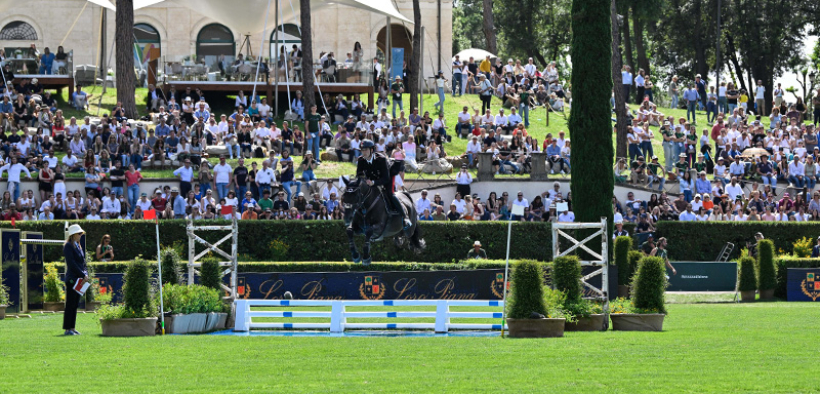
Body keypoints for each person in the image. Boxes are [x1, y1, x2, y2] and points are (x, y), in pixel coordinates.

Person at [356, 139, 411, 229]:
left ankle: (405, 217)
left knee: (389, 194)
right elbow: (359, 175)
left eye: (366, 150)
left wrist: (373, 182)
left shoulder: (381, 159)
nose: (364, 152)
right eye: (362, 150)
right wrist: (365, 180)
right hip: (371, 181)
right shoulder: (361, 160)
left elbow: (386, 178)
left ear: (371, 150)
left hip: (387, 178)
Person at [63, 224, 87, 336]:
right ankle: (68, 328)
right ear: (73, 235)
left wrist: (85, 274)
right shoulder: (68, 246)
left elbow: (83, 263)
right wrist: (82, 274)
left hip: (80, 279)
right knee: (70, 304)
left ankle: (72, 327)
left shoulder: (78, 245)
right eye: (79, 233)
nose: (80, 235)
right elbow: (71, 264)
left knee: (75, 303)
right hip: (73, 279)